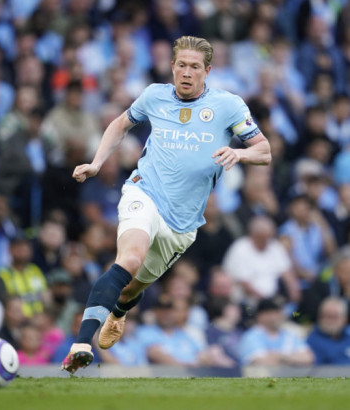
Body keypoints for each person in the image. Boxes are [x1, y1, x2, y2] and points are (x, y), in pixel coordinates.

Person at [61, 35, 272, 374]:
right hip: (144, 192)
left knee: (132, 287)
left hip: (182, 223)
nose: (187, 73)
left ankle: (119, 311)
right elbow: (120, 124)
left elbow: (264, 150)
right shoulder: (154, 95)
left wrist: (239, 153)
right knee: (129, 259)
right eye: (182, 65)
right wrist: (97, 163)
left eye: (195, 67)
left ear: (207, 71)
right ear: (172, 66)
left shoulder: (228, 106)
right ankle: (82, 344)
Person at [238, 298, 314, 366]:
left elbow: (308, 358)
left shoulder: (290, 335)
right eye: (273, 313)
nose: (278, 316)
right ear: (261, 316)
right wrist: (292, 359)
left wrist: (280, 357)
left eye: (279, 312)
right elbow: (261, 362)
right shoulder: (252, 336)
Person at [307, 297, 350, 365]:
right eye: (326, 316)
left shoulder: (347, 336)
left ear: (344, 319)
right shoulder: (312, 341)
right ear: (319, 317)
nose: (330, 321)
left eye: (335, 316)